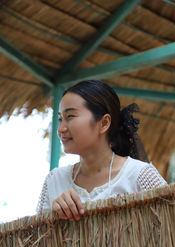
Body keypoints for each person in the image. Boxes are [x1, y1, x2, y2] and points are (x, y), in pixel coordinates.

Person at [36, 80, 167, 220]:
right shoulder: (54, 181)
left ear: (104, 123)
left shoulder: (140, 176)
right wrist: (54, 217)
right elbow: (36, 239)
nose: (61, 129)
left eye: (70, 116)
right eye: (60, 119)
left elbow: (173, 225)